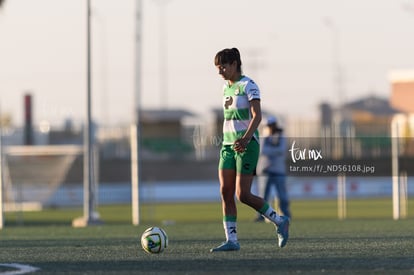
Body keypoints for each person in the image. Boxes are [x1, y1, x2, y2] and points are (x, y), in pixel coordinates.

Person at [210, 47, 290, 252]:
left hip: (247, 146)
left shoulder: (249, 85)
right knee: (225, 192)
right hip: (227, 146)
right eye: (218, 68)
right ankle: (232, 241)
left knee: (242, 194)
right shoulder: (225, 88)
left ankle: (279, 221)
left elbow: (257, 116)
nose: (220, 72)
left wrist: (245, 139)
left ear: (234, 64)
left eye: (223, 67)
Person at [255, 116, 291, 222]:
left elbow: (281, 150)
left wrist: (270, 150)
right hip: (265, 170)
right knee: (263, 196)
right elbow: (262, 151)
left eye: (272, 126)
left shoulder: (281, 137)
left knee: (282, 196)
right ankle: (261, 216)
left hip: (279, 170)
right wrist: (274, 150)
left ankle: (286, 215)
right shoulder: (263, 137)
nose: (271, 128)